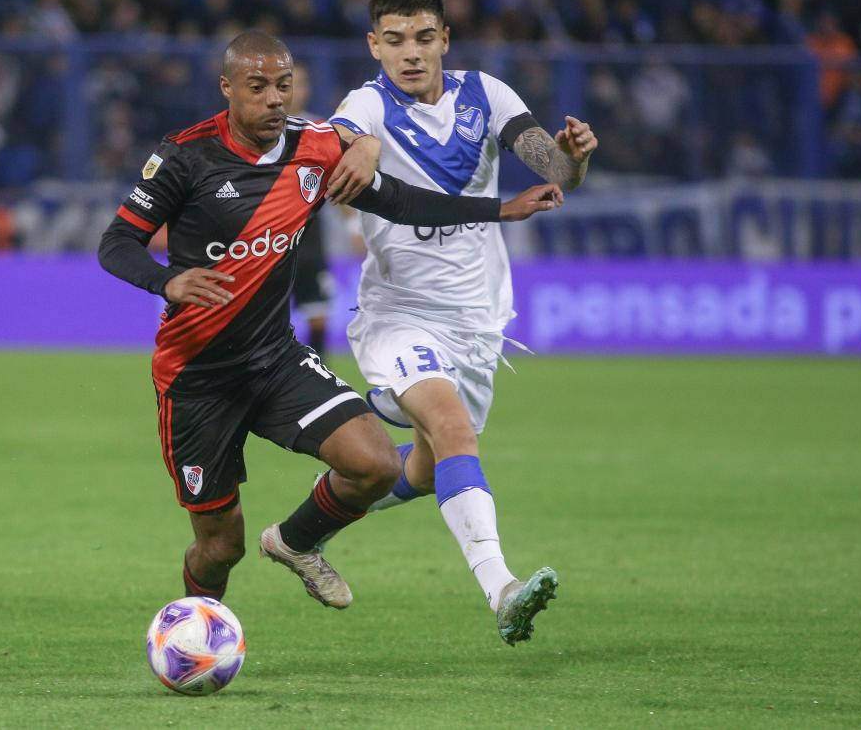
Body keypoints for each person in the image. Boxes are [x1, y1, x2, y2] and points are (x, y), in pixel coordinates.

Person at [98, 31, 563, 612]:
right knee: (220, 547)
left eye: (283, 86)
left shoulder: (314, 150)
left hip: (274, 361)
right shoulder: (184, 157)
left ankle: (298, 544)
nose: (274, 99)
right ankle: (198, 623)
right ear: (227, 89)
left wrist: (499, 210)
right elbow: (116, 242)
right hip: (197, 377)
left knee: (371, 463)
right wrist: (167, 280)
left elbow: (398, 199)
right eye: (258, 87)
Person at [322, 0, 599, 645]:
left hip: (476, 321)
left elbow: (552, 168)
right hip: (397, 312)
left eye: (423, 38)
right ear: (374, 46)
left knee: (418, 466)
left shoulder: (487, 95)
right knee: (452, 427)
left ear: (445, 38)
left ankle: (299, 530)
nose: (410, 53)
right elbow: (339, 141)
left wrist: (574, 157)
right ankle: (501, 589)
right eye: (394, 41)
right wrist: (357, 144)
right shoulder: (367, 102)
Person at [284, 63, 334, 358]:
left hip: (312, 241)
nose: (294, 90)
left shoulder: (322, 132)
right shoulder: (258, 130)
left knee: (319, 317)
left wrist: (353, 227)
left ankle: (320, 378)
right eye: (288, 83)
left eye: (300, 83)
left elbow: (341, 181)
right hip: (269, 241)